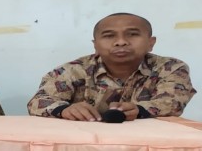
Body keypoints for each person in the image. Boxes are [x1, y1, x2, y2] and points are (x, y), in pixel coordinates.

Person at [27, 12, 197, 121]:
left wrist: (139, 110)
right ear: (95, 45)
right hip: (85, 145)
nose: (121, 42)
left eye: (132, 34)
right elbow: (38, 102)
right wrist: (64, 110)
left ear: (151, 43)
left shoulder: (170, 67)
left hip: (148, 143)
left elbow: (173, 103)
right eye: (109, 36)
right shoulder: (73, 70)